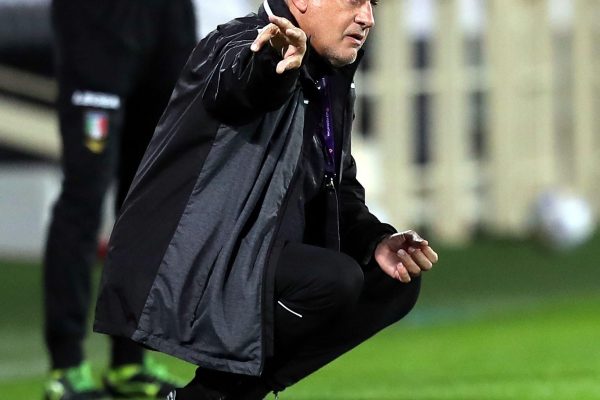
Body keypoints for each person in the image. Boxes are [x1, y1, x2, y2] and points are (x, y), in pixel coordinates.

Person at [94, 0, 440, 399]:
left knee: (392, 279)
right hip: (184, 261)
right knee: (332, 281)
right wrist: (275, 65)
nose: (367, 18)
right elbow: (243, 84)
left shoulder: (332, 75)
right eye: (353, 1)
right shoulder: (237, 44)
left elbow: (337, 187)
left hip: (252, 255)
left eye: (371, 4)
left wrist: (377, 240)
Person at [43, 0, 197, 398]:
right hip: (99, 19)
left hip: (167, 18)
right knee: (84, 195)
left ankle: (130, 359)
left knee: (150, 196)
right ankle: (67, 365)